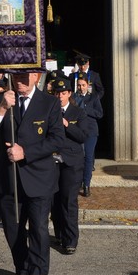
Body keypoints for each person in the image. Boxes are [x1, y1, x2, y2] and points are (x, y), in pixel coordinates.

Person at [0, 71, 65, 275]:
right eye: (16, 76)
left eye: (24, 76)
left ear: (36, 76)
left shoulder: (49, 102)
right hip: (9, 179)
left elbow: (57, 139)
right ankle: (22, 270)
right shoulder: (2, 100)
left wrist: (26, 152)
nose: (19, 80)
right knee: (13, 231)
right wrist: (2, 108)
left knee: (38, 230)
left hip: (39, 179)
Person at [50, 78, 87, 254]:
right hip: (52, 161)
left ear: (69, 94)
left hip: (71, 162)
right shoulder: (49, 111)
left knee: (69, 201)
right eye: (57, 93)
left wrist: (66, 125)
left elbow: (83, 136)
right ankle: (59, 234)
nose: (60, 96)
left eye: (63, 93)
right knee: (54, 201)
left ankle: (71, 240)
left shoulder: (78, 112)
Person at [74, 71, 102, 196]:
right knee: (79, 157)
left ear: (87, 85)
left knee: (88, 158)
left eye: (83, 85)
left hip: (91, 131)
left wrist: (86, 109)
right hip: (77, 130)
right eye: (79, 85)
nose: (81, 88)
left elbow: (99, 114)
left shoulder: (93, 97)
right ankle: (78, 182)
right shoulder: (73, 97)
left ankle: (86, 184)